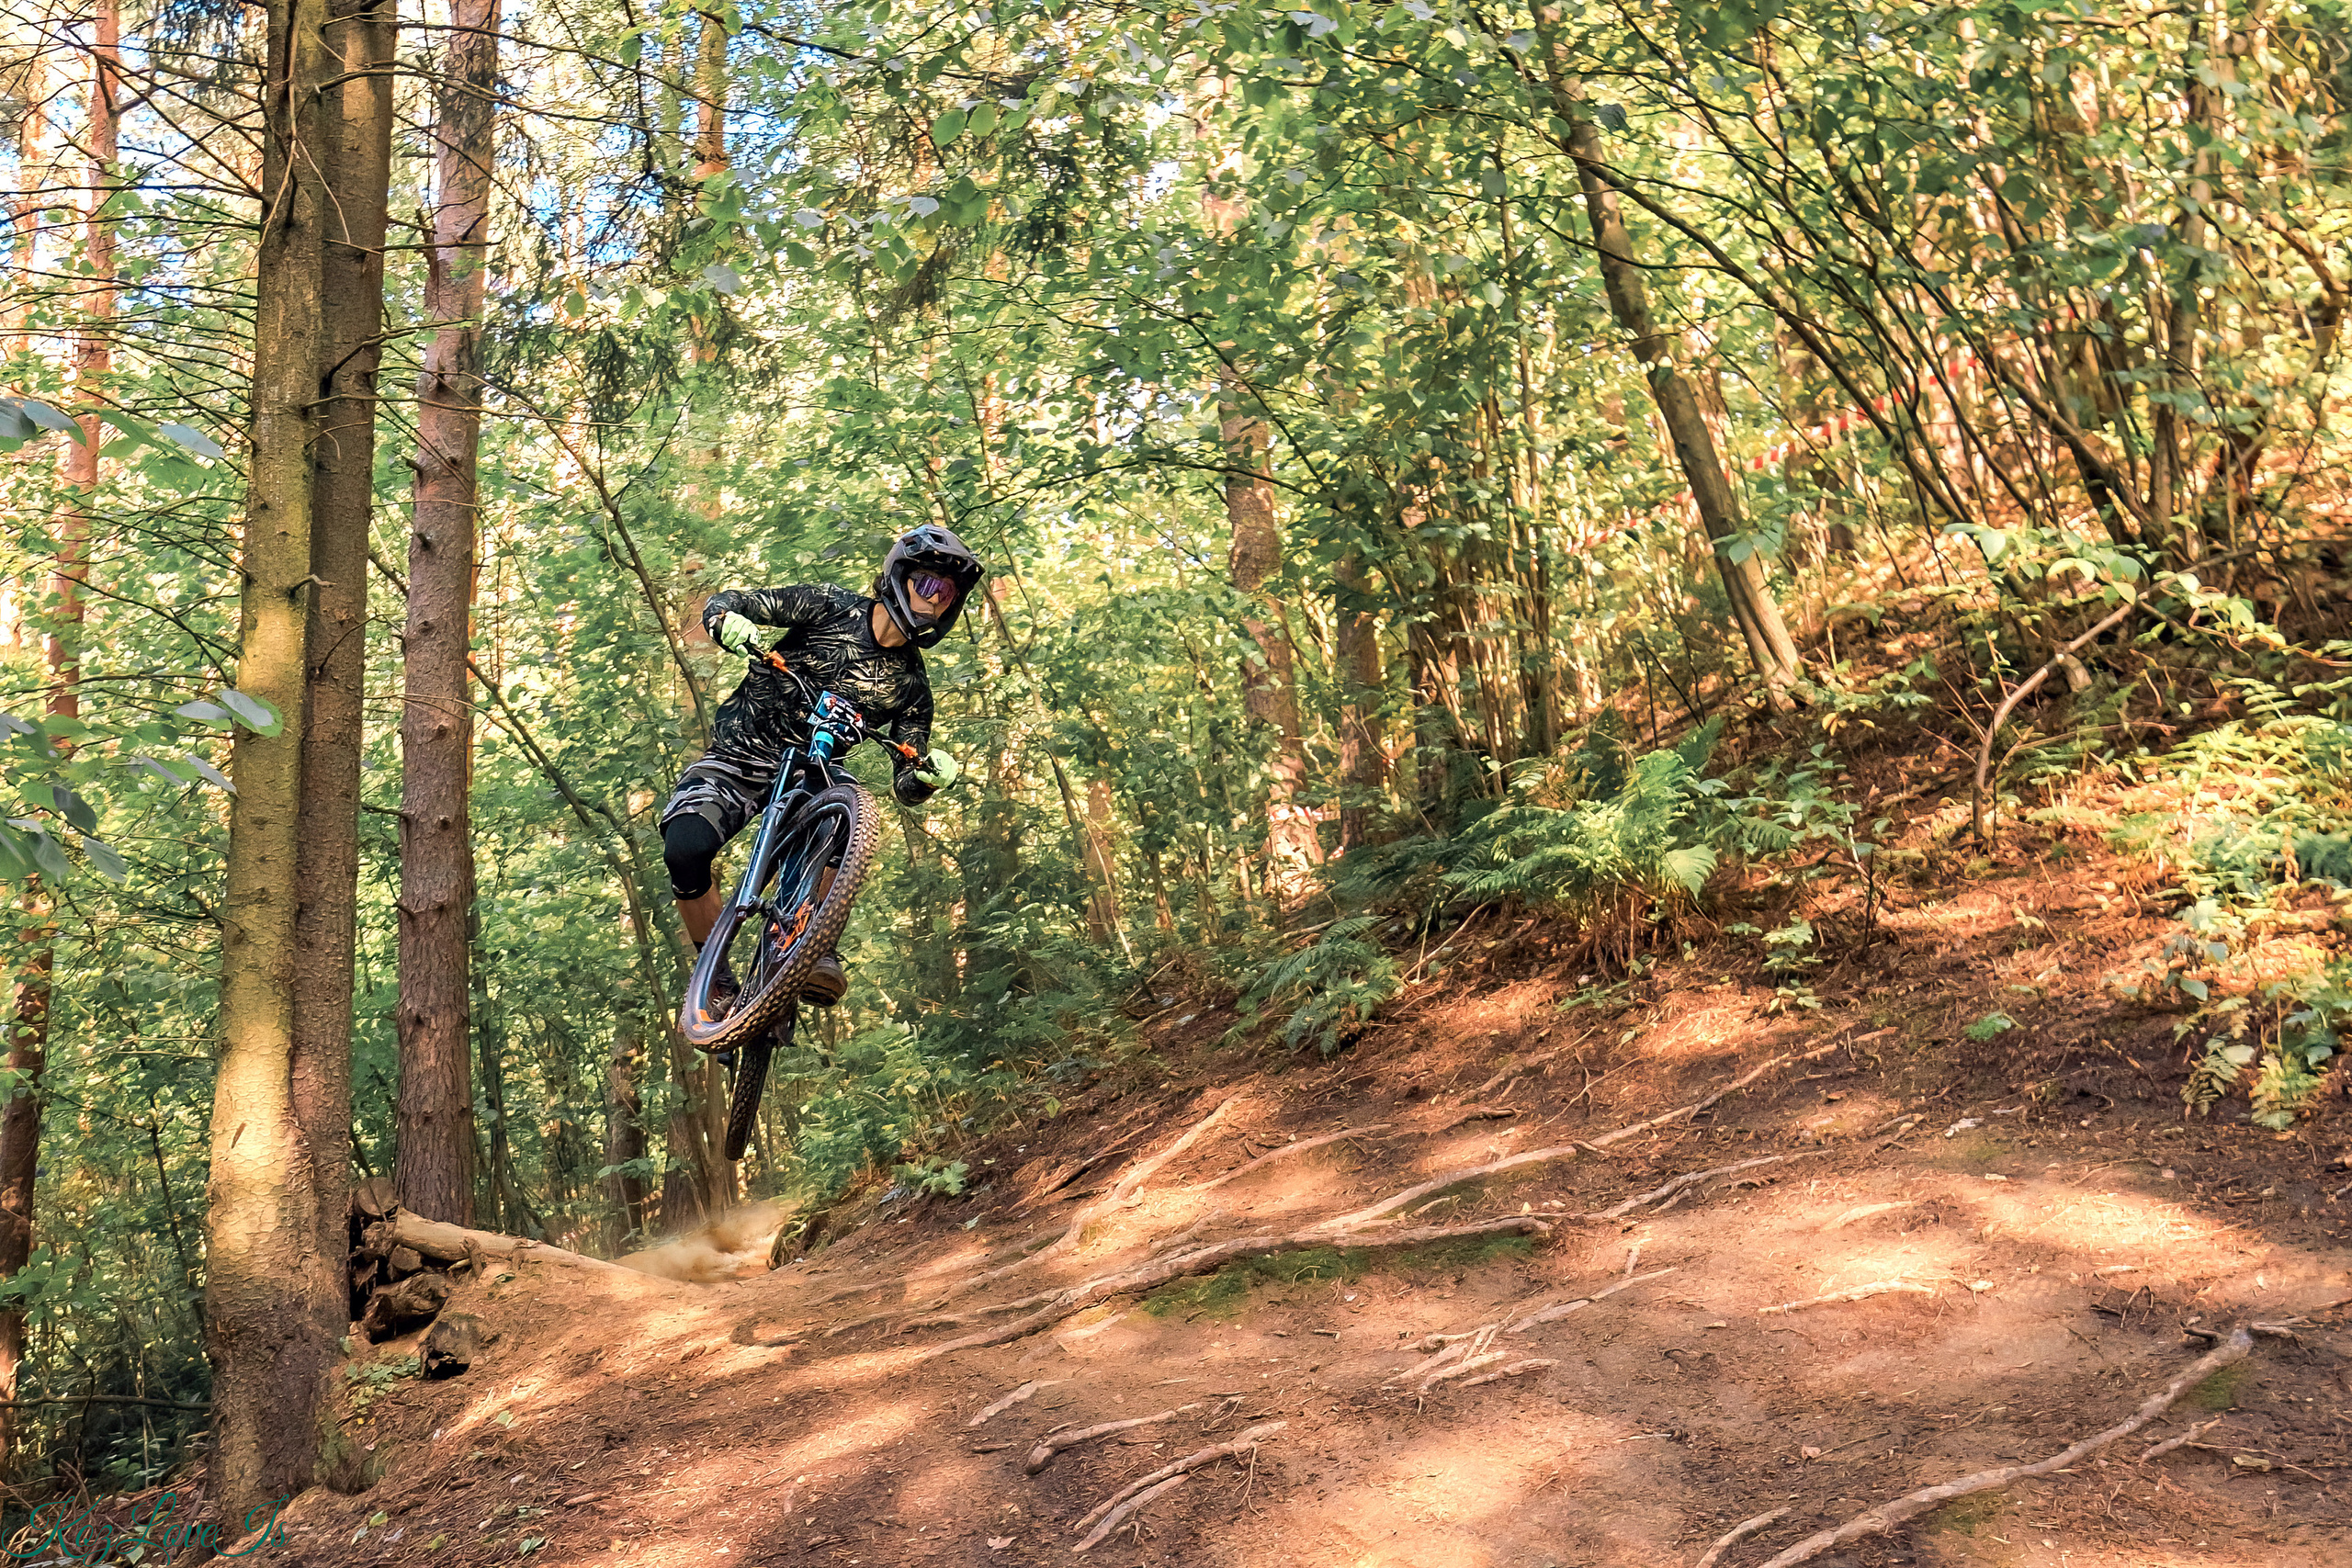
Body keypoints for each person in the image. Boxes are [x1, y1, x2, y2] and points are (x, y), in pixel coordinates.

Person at [661, 525, 985, 1020]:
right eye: (929, 585)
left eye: (948, 595)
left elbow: (906, 778)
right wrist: (726, 622)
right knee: (685, 847)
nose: (937, 602)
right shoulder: (829, 606)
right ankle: (715, 973)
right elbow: (728, 602)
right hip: (740, 754)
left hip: (816, 773)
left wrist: (926, 776)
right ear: (900, 576)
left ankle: (815, 942)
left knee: (850, 814)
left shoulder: (913, 687)